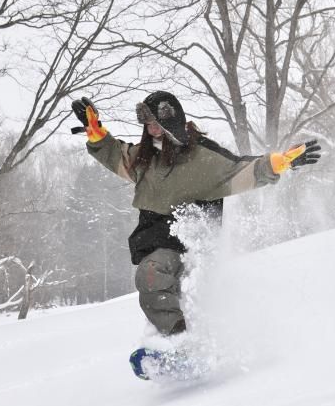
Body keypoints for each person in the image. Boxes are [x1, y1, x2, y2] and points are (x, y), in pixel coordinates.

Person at [71, 91, 321, 338]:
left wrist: (280, 163)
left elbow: (241, 169)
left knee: (151, 275)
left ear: (171, 122)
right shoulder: (144, 158)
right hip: (155, 238)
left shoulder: (202, 157)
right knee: (154, 282)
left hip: (191, 243)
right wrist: (96, 132)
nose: (152, 130)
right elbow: (117, 155)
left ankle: (179, 340)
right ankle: (176, 337)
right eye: (148, 125)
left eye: (156, 124)